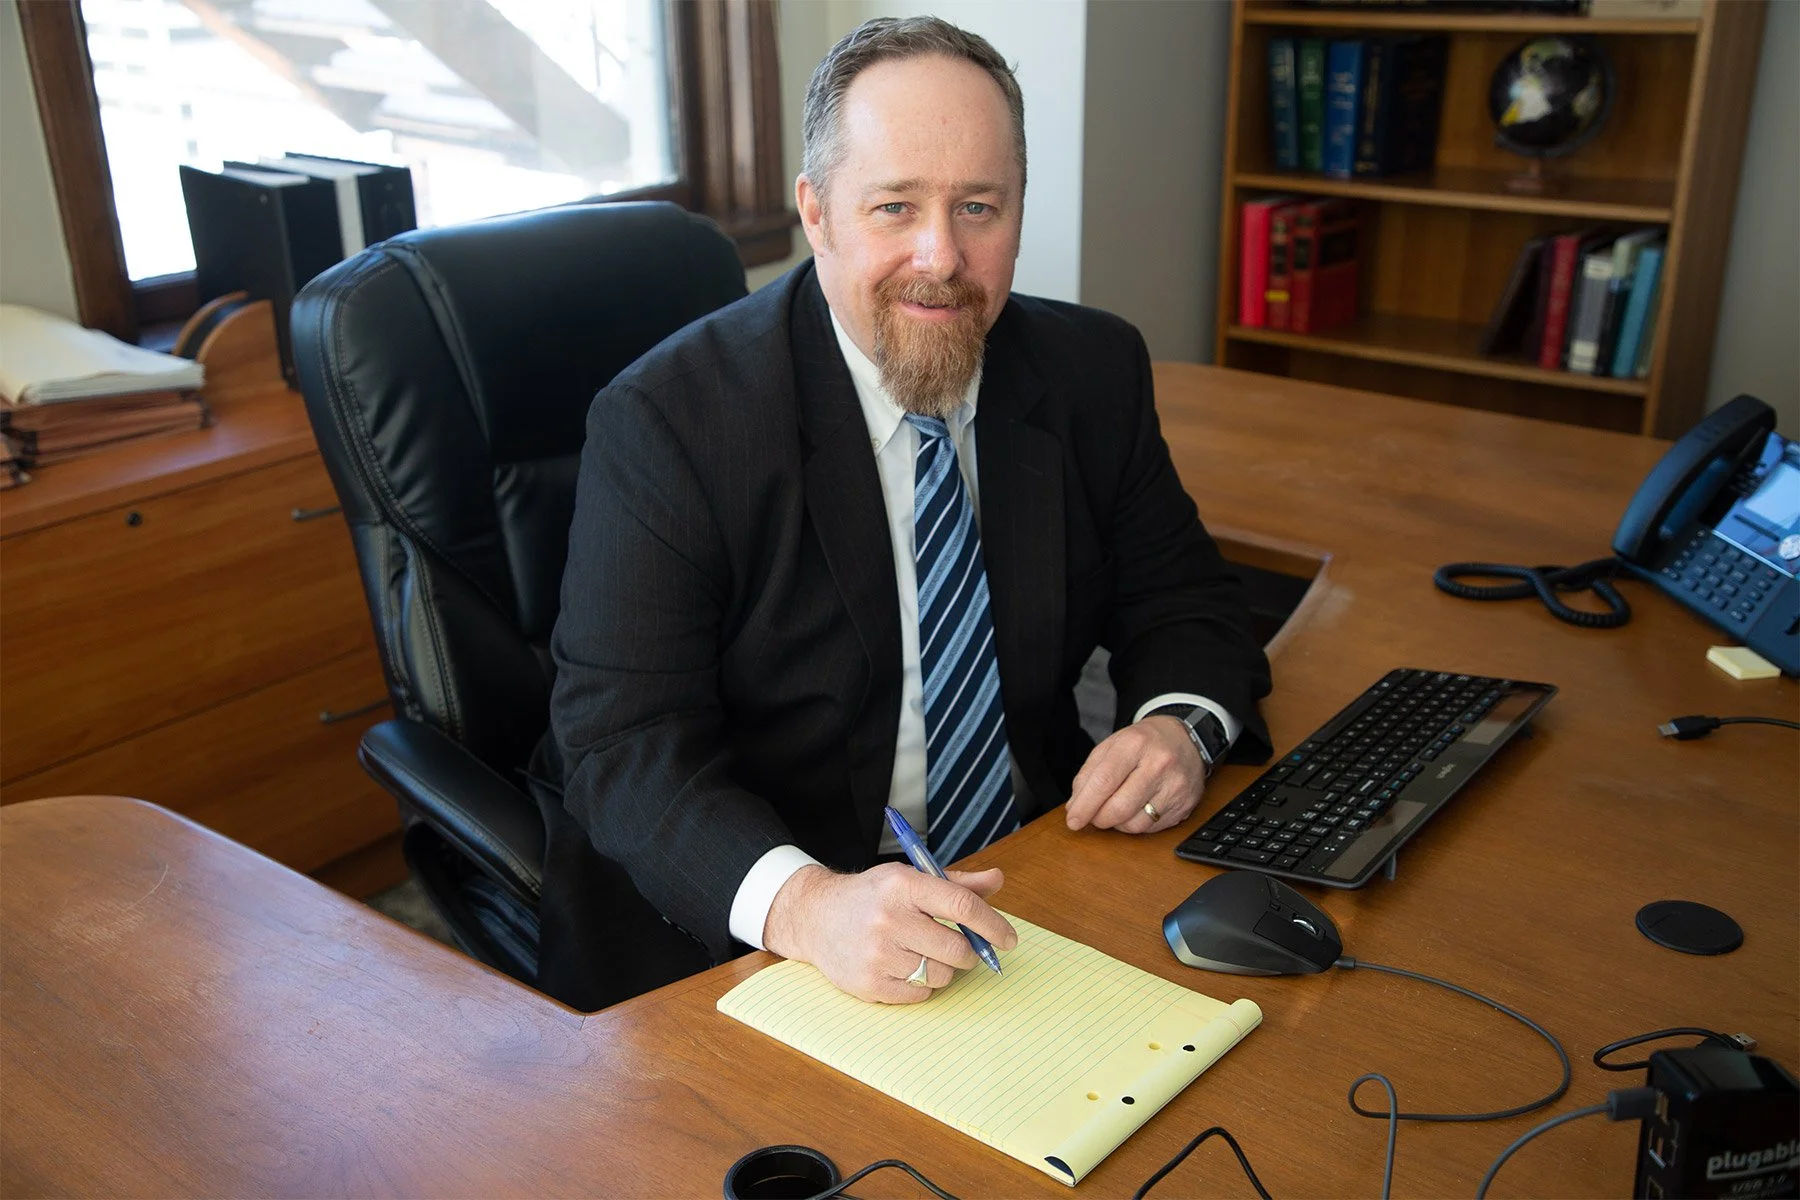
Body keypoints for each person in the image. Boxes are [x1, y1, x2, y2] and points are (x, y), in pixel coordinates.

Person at [531, 16, 1272, 1013]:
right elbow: (622, 749)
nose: (943, 256)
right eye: (894, 207)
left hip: (1027, 879)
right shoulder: (672, 423)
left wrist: (1179, 728)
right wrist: (804, 905)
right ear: (818, 212)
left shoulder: (1090, 372)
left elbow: (1187, 601)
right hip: (764, 925)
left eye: (979, 207)